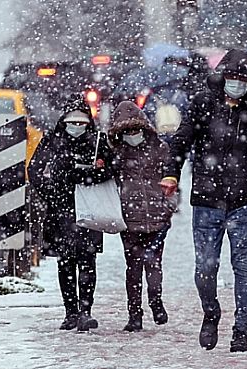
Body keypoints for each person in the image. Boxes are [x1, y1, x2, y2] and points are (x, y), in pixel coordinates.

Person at [160, 49, 247, 352]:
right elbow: (181, 140)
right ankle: (210, 312)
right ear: (222, 77)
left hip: (244, 201)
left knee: (243, 265)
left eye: (243, 79)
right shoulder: (202, 105)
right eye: (232, 77)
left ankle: (242, 329)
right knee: (205, 268)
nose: (236, 83)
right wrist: (171, 175)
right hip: (205, 199)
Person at [28, 94, 114, 332]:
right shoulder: (52, 141)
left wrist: (88, 175)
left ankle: (85, 311)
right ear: (63, 122)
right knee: (66, 262)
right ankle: (70, 312)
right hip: (60, 210)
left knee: (87, 261)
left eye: (81, 123)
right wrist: (50, 191)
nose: (76, 127)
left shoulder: (97, 141)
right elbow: (34, 168)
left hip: (89, 208)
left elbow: (111, 169)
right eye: (72, 122)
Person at [108, 101, 178, 332]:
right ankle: (134, 313)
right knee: (133, 267)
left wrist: (167, 207)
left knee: (154, 264)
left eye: (135, 130)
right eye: (126, 131)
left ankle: (156, 302)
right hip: (129, 219)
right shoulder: (116, 153)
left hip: (157, 216)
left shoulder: (159, 148)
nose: (132, 135)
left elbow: (172, 177)